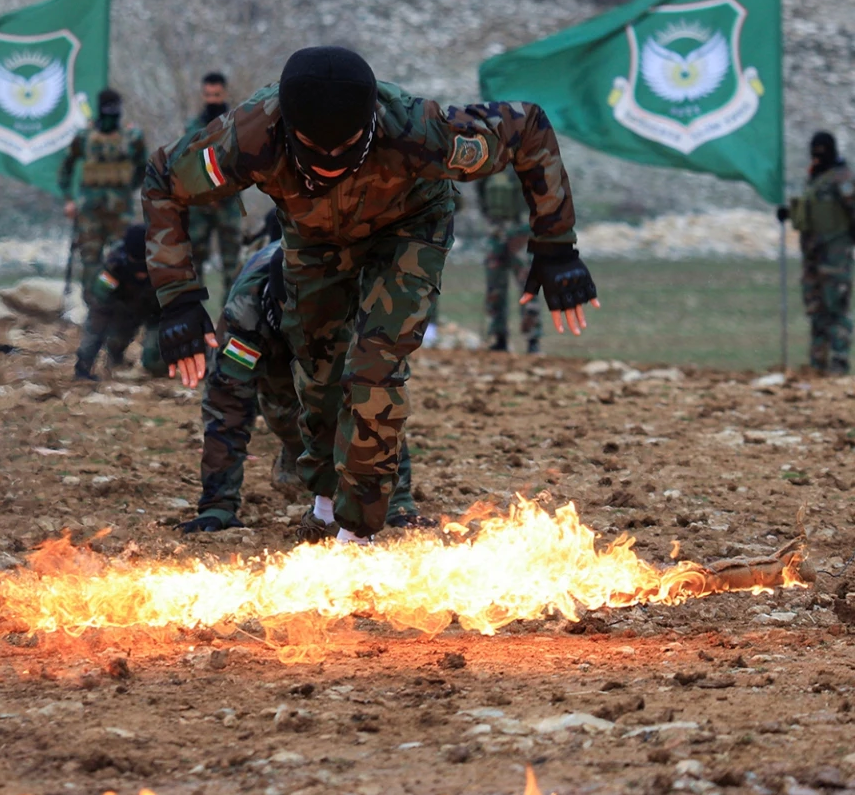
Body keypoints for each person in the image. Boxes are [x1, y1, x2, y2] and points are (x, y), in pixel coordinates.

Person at [142, 46, 597, 544]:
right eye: (314, 149)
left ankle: (358, 534)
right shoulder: (250, 137)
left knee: (373, 368)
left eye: (346, 148)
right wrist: (179, 297)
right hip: (314, 238)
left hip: (409, 227)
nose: (330, 163)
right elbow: (164, 180)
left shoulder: (420, 132)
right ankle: (325, 503)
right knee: (318, 371)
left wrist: (556, 247)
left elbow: (528, 128)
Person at [182, 243, 424, 535]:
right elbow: (226, 408)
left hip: (335, 334)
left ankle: (379, 492)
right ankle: (297, 456)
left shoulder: (356, 303)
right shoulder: (245, 318)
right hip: (273, 343)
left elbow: (379, 399)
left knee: (366, 396)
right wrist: (217, 506)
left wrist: (398, 504)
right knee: (287, 413)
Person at [58, 88, 147, 310]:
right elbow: (66, 169)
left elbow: (143, 167)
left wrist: (128, 188)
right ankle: (94, 310)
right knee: (90, 262)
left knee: (122, 261)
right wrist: (69, 200)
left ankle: (120, 308)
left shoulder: (132, 138)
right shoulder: (84, 137)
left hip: (120, 213)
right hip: (90, 212)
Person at [782, 131, 855, 375]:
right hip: (813, 257)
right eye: (815, 150)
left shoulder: (842, 178)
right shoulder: (814, 180)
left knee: (836, 309)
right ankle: (817, 364)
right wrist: (789, 214)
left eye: (822, 150)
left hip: (835, 257)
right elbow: (811, 214)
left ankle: (839, 362)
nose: (817, 155)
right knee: (816, 310)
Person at [73, 224, 165, 381]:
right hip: (125, 309)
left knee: (154, 360)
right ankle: (115, 357)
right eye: (137, 266)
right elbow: (98, 311)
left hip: (159, 313)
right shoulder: (113, 267)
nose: (141, 274)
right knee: (115, 340)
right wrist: (84, 363)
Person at [184, 72, 244, 293]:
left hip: (229, 204)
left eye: (216, 95)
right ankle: (195, 311)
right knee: (193, 263)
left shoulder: (238, 124)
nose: (212, 100)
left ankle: (231, 312)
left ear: (224, 94)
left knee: (232, 266)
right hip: (200, 204)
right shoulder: (193, 127)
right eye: (208, 95)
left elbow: (245, 164)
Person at [479, 170, 541, 353]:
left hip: (521, 232)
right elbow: (481, 192)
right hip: (496, 232)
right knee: (495, 287)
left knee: (527, 286)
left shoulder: (527, 162)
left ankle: (533, 339)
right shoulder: (489, 164)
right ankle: (499, 337)